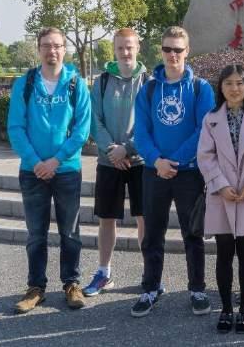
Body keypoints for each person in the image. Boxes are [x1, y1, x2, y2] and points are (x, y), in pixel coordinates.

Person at [131, 26, 216, 317]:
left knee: (192, 233)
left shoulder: (200, 88)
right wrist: (157, 161)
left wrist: (174, 162)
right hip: (153, 171)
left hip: (189, 172)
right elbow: (141, 133)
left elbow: (203, 130)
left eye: (178, 49)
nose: (172, 55)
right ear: (161, 51)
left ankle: (197, 289)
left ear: (187, 51)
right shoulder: (149, 88)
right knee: (152, 234)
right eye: (167, 49)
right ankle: (150, 288)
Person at [7, 27, 92, 314]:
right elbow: (15, 128)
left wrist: (56, 161)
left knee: (70, 232)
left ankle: (72, 284)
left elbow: (82, 130)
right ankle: (36, 288)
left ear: (64, 49)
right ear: (38, 48)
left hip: (66, 170)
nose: (51, 50)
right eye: (46, 45)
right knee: (36, 234)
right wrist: (36, 162)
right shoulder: (25, 84)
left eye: (57, 45)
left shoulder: (76, 84)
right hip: (32, 172)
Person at [197, 64, 244, 334]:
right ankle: (226, 309)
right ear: (221, 87)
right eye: (228, 83)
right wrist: (220, 185)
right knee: (223, 254)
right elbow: (205, 156)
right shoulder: (211, 119)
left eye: (240, 83)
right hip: (223, 195)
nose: (234, 88)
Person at [83, 28, 151, 297]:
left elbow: (149, 123)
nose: (125, 52)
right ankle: (103, 272)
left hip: (140, 161)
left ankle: (149, 273)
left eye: (130, 47)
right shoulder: (101, 82)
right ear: (114, 49)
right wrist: (113, 149)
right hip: (109, 161)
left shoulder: (149, 81)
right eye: (121, 48)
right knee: (107, 218)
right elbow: (93, 119)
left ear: (138, 48)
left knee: (144, 219)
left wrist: (128, 149)